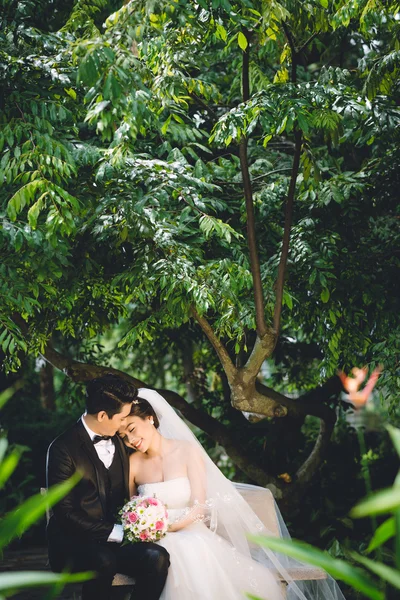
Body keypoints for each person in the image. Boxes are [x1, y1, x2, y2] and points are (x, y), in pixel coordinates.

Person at [118, 388, 347, 600]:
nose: (130, 440)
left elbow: (199, 508)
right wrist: (145, 528)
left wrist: (166, 527)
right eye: (123, 437)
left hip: (190, 532)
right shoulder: (133, 463)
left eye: (132, 429)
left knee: (190, 555)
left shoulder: (186, 451)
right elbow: (132, 508)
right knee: (173, 557)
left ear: (150, 418)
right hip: (153, 542)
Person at [46, 374, 170, 600]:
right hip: (74, 545)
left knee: (157, 557)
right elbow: (65, 513)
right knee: (103, 560)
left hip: (116, 544)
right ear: (103, 415)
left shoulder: (121, 441)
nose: (125, 422)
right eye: (122, 417)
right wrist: (115, 532)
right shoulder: (62, 449)